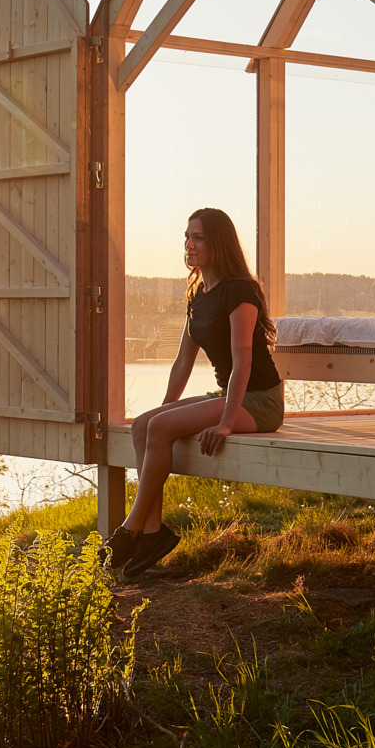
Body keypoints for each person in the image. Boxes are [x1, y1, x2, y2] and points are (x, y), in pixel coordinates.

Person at [108, 206, 285, 579]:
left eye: (198, 237)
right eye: (187, 237)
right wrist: (166, 409)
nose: (189, 245)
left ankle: (130, 529)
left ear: (217, 242)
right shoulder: (199, 293)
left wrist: (224, 423)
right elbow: (182, 361)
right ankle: (153, 533)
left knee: (157, 428)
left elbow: (243, 363)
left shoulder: (240, 292)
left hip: (259, 402)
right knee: (144, 425)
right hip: (229, 395)